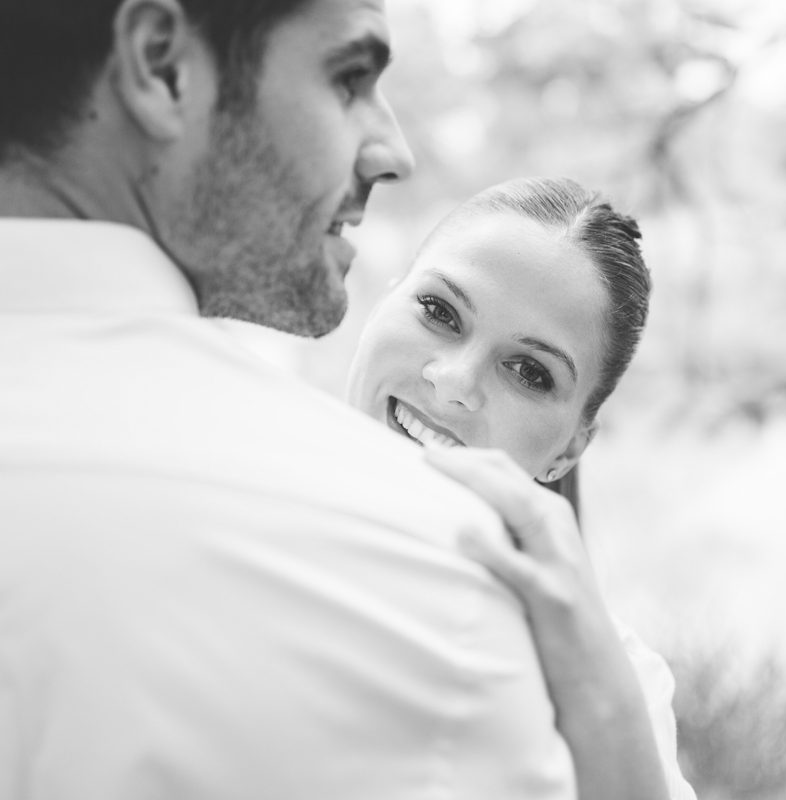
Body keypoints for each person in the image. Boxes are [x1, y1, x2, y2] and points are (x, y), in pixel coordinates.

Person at [0, 2, 578, 799]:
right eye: (347, 78)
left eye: (533, 371)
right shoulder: (428, 591)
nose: (394, 151)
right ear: (163, 66)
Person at [347, 176, 696, 800]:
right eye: (439, 312)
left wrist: (600, 700)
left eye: (530, 373)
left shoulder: (616, 681)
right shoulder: (212, 495)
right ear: (384, 300)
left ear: (567, 451)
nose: (455, 381)